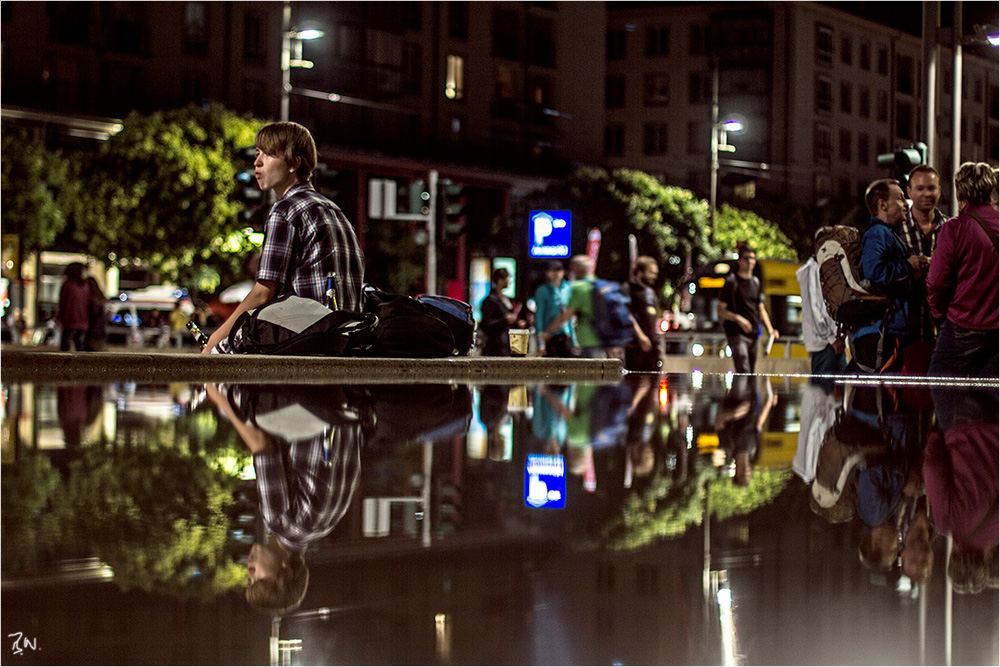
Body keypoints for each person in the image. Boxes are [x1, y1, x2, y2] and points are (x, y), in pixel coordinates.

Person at [204, 121, 365, 353]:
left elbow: (263, 292)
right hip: (348, 336)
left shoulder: (286, 210)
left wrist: (215, 340)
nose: (257, 162)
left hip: (310, 336)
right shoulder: (333, 209)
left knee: (229, 348)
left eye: (269, 154)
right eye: (258, 153)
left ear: (294, 163)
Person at [206, 383, 363, 613]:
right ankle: (207, 352)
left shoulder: (324, 527)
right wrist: (218, 397)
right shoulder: (280, 522)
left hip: (347, 402)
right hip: (313, 402)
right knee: (228, 394)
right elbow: (261, 444)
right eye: (258, 578)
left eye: (249, 579)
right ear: (285, 569)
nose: (248, 571)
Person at [926, 163, 999, 378]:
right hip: (997, 329)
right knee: (990, 398)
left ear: (959, 191)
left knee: (942, 386)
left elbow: (937, 282)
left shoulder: (954, 228)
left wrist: (939, 315)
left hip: (962, 325)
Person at [849, 179, 927, 374]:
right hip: (884, 331)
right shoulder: (878, 233)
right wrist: (908, 266)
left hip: (891, 330)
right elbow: (874, 272)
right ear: (883, 205)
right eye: (900, 199)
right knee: (884, 396)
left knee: (889, 397)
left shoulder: (888, 234)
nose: (906, 204)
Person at [899, 165, 945, 373]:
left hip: (944, 336)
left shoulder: (951, 228)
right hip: (906, 333)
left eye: (931, 188)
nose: (926, 193)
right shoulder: (895, 230)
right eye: (920, 188)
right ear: (909, 192)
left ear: (939, 190)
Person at [716, 246, 776, 373]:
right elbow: (720, 310)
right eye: (746, 258)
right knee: (743, 365)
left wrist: (770, 329)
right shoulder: (731, 282)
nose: (750, 261)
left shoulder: (755, 282)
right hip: (736, 333)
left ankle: (747, 392)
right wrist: (739, 319)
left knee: (751, 371)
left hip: (754, 333)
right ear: (740, 260)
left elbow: (760, 308)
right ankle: (740, 392)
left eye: (752, 258)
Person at [795, 231, 846, 375]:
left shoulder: (826, 269)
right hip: (826, 344)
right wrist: (831, 338)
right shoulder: (811, 272)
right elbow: (814, 310)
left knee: (836, 392)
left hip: (833, 342)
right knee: (824, 391)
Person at [625, 256, 662, 372]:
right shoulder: (628, 289)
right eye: (651, 273)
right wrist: (640, 336)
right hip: (636, 346)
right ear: (640, 272)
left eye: (655, 273)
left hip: (652, 346)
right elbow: (627, 314)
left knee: (654, 380)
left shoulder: (650, 292)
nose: (654, 277)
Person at [533, 261, 576, 358]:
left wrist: (575, 341)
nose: (556, 273)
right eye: (553, 270)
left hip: (566, 335)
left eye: (559, 270)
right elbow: (539, 316)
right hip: (550, 336)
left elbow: (570, 316)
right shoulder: (542, 291)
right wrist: (540, 343)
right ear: (548, 273)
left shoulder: (568, 288)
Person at [480, 267, 522, 356]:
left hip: (510, 344)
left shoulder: (508, 299)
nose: (508, 282)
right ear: (499, 280)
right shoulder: (490, 300)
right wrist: (504, 320)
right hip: (496, 345)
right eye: (506, 279)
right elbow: (486, 323)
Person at [56, 262, 90, 352]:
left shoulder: (68, 285)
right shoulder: (85, 286)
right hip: (83, 321)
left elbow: (62, 302)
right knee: (80, 349)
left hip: (69, 321)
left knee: (65, 348)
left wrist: (60, 317)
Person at [85, 277, 107, 351]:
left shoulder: (91, 300)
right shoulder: (100, 298)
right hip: (100, 331)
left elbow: (93, 315)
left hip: (92, 331)